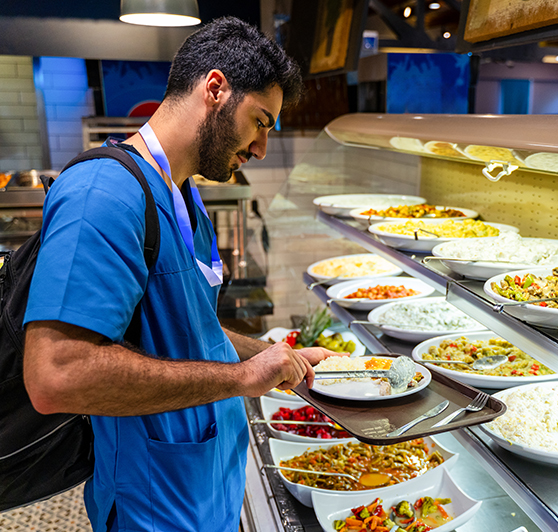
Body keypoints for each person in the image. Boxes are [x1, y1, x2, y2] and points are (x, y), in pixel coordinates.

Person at [22, 16, 331, 532]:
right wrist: (241, 378)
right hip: (153, 509)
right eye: (261, 121)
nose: (260, 148)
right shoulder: (103, 193)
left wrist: (272, 357)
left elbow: (188, 326)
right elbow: (56, 375)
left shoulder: (183, 192)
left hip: (206, 495)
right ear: (215, 89)